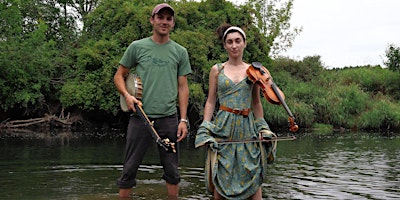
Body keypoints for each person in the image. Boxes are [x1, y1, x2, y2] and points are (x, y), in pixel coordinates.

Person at [113, 3, 192, 199]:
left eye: (168, 18)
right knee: (129, 167)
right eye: (160, 17)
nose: (164, 22)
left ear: (173, 23)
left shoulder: (180, 52)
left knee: (172, 170)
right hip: (140, 117)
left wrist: (183, 120)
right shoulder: (137, 47)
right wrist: (127, 95)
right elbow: (119, 76)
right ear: (152, 20)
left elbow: (183, 87)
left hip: (169, 118)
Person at [195, 23, 276, 199]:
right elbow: (210, 101)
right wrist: (205, 127)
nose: (234, 45)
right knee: (221, 177)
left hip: (247, 127)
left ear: (244, 43)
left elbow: (256, 103)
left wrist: (262, 127)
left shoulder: (253, 71)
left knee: (253, 173)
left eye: (238, 41)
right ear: (225, 45)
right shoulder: (217, 69)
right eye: (230, 41)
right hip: (223, 126)